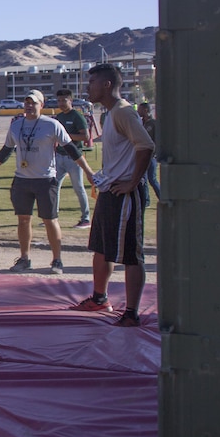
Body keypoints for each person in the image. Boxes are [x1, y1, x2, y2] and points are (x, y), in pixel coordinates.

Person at [71, 65, 155, 326]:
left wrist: (132, 182)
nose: (88, 86)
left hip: (125, 194)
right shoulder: (110, 114)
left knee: (131, 253)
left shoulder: (123, 112)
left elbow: (146, 145)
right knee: (101, 248)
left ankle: (131, 312)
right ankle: (99, 298)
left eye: (92, 81)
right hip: (110, 190)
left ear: (107, 85)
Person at [0, 90, 94, 274]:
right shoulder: (17, 125)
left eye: (33, 103)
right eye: (26, 102)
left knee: (50, 220)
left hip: (45, 180)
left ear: (41, 105)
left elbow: (72, 149)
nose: (29, 106)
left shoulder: (52, 125)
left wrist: (88, 171)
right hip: (22, 180)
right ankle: (24, 258)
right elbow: (6, 150)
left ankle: (57, 260)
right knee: (23, 219)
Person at [53, 89, 92, 228]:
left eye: (64, 100)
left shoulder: (77, 116)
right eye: (59, 100)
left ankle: (86, 218)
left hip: (74, 158)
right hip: (59, 156)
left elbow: (85, 137)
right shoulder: (59, 117)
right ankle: (52, 216)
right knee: (54, 186)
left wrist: (66, 136)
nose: (61, 103)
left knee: (78, 187)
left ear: (70, 101)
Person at [137, 102, 160, 200]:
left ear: (145, 110)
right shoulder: (140, 123)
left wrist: (154, 153)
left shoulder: (153, 124)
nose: (138, 111)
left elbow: (158, 140)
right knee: (143, 179)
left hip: (151, 157)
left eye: (140, 109)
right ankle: (146, 200)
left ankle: (162, 197)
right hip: (142, 155)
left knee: (152, 179)